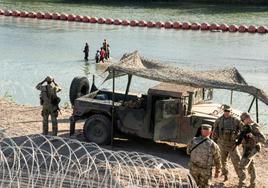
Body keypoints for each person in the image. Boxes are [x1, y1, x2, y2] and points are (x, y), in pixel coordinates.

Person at [213, 104, 243, 181]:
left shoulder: (236, 120)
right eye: (225, 111)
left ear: (231, 111)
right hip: (222, 144)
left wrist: (239, 140)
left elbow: (243, 129)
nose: (227, 112)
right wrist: (214, 142)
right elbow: (215, 132)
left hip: (232, 145)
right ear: (223, 111)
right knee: (223, 161)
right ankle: (225, 175)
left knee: (237, 162)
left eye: (228, 111)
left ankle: (241, 178)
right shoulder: (219, 120)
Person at [236, 112, 266, 188]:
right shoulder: (246, 126)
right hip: (247, 148)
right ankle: (253, 184)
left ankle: (241, 185)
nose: (242, 122)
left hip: (253, 148)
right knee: (251, 166)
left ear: (247, 118)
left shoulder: (255, 127)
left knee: (241, 166)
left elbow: (263, 139)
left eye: (243, 120)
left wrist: (252, 136)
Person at [187, 124, 221, 188]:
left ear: (201, 131)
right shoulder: (213, 145)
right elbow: (218, 159)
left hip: (193, 169)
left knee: (192, 185)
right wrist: (217, 171)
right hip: (205, 171)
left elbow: (188, 151)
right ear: (211, 133)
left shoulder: (193, 140)